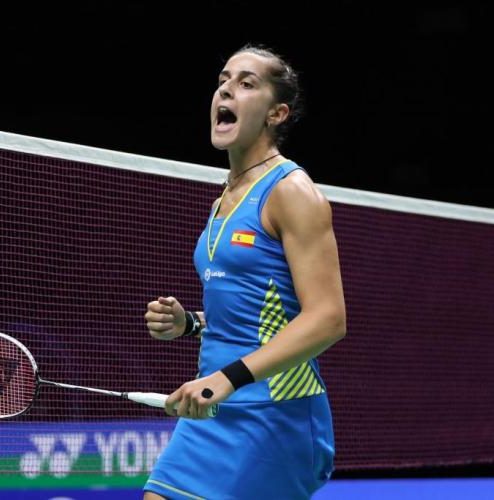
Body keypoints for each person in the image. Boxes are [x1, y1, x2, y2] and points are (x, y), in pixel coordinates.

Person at [142, 44, 346, 500]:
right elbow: (255, 314)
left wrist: (227, 378)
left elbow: (328, 319)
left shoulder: (292, 192)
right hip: (211, 405)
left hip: (274, 410)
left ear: (277, 113)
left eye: (246, 83)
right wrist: (190, 323)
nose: (226, 91)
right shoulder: (225, 198)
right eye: (223, 81)